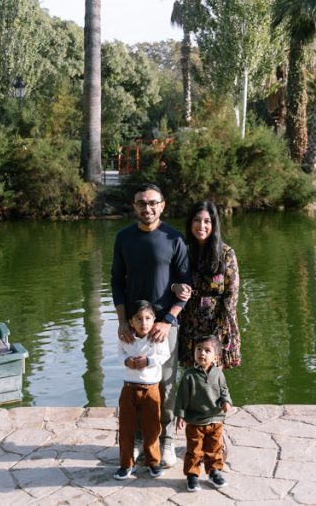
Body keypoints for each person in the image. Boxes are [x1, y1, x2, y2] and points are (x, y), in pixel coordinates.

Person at [110, 183, 191, 467]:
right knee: (135, 385)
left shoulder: (174, 238)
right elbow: (117, 281)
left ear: (162, 205)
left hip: (164, 327)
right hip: (133, 326)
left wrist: (168, 321)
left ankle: (166, 441)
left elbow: (186, 285)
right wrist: (122, 321)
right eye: (142, 203)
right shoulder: (124, 238)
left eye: (153, 202)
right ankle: (135, 441)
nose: (147, 208)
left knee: (166, 386)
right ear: (134, 206)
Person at [176, 201, 241, 370]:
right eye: (197, 220)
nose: (201, 226)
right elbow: (170, 282)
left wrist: (223, 329)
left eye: (207, 221)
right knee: (192, 376)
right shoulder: (184, 251)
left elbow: (231, 295)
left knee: (212, 378)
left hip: (217, 321)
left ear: (214, 224)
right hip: (189, 321)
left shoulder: (226, 253)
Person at [114, 300, 171, 480]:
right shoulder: (125, 337)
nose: (143, 323)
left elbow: (165, 355)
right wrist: (127, 361)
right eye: (138, 319)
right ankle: (125, 464)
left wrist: (149, 362)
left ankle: (153, 462)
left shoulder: (157, 338)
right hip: (129, 388)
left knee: (152, 428)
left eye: (148, 318)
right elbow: (119, 354)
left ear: (154, 320)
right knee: (126, 428)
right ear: (131, 321)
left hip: (151, 389)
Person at [174, 334, 233, 492]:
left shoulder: (218, 374)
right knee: (194, 450)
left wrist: (226, 402)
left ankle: (214, 472)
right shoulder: (189, 376)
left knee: (214, 448)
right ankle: (192, 475)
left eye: (207, 350)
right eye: (199, 349)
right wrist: (180, 415)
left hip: (215, 419)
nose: (202, 353)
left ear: (216, 357)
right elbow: (181, 398)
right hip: (195, 421)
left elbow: (224, 391)